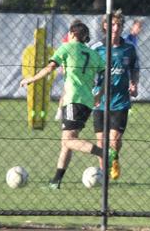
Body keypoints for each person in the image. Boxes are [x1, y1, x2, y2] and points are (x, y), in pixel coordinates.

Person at [20, 20, 106, 189]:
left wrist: (31, 79)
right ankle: (56, 181)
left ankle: (102, 152)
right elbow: (105, 75)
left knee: (68, 141)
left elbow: (49, 68)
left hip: (73, 100)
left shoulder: (66, 47)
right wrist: (99, 94)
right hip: (87, 102)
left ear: (72, 34)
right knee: (66, 142)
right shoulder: (93, 53)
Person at [91, 10, 139, 181]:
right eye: (112, 24)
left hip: (120, 102)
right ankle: (103, 175)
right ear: (105, 26)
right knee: (101, 142)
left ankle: (115, 158)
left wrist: (134, 83)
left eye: (119, 25)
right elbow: (88, 72)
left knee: (114, 142)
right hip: (100, 102)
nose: (116, 28)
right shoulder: (97, 48)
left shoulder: (129, 49)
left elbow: (135, 69)